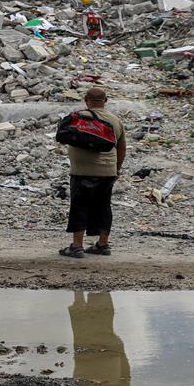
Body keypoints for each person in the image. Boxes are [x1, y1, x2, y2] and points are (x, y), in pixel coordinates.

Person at [61, 87, 126, 258]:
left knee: (79, 206)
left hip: (82, 171)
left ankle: (76, 246)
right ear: (106, 100)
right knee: (104, 207)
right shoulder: (115, 121)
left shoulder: (78, 118)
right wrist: (117, 168)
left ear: (85, 99)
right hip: (107, 172)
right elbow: (121, 148)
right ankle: (102, 245)